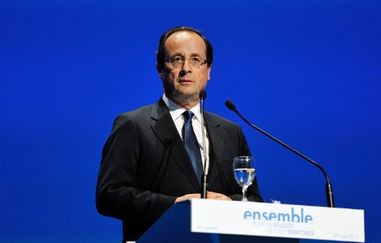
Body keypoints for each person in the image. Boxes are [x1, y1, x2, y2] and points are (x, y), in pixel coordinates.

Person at [96, 26, 262, 242]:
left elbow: (254, 199)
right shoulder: (133, 125)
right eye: (176, 59)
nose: (186, 68)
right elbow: (109, 195)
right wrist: (174, 205)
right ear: (160, 68)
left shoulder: (231, 131)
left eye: (196, 60)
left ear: (208, 70)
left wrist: (230, 204)